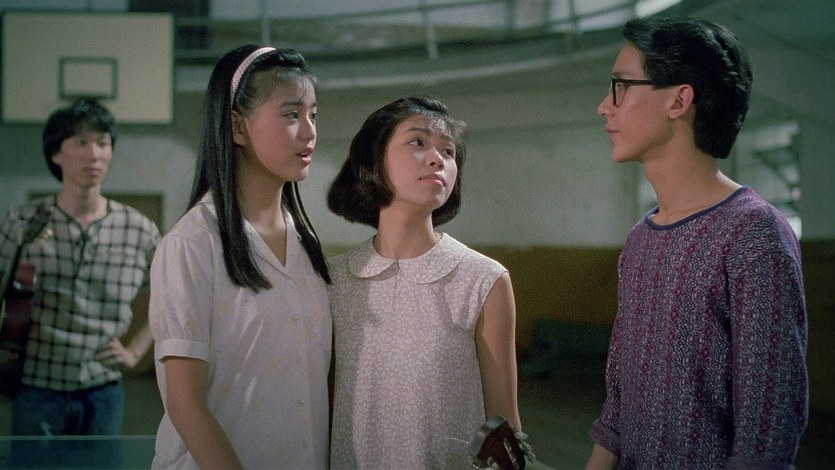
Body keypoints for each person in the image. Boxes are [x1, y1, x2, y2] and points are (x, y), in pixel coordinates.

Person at [586, 17, 808, 469]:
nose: (604, 107)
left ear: (679, 100)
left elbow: (766, 438)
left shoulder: (754, 234)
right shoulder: (641, 238)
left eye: (621, 86)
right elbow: (619, 401)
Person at [148, 45, 331, 469]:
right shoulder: (192, 243)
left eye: (313, 115)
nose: (309, 132)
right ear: (237, 126)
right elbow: (185, 405)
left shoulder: (305, 243)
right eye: (291, 114)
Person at [327, 95, 526, 468]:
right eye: (418, 142)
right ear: (372, 161)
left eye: (449, 151)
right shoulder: (334, 280)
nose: (438, 159)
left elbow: (504, 423)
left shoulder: (484, 280)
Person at [0, 98, 159, 437]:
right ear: (56, 153)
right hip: (35, 386)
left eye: (103, 143)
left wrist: (135, 352)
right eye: (81, 142)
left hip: (103, 389)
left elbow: (173, 298)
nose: (94, 154)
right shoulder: (22, 222)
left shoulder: (138, 229)